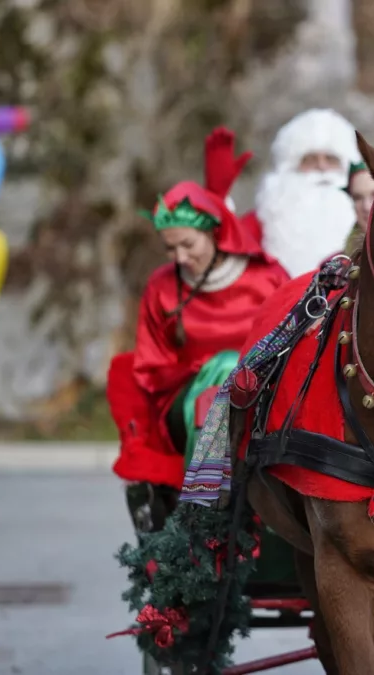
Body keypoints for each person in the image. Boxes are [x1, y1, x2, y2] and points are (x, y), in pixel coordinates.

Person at [107, 127, 289, 534]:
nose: (179, 257)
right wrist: (210, 372)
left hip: (263, 395)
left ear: (213, 231)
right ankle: (207, 506)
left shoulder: (266, 277)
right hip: (185, 405)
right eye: (170, 248)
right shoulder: (162, 285)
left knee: (233, 373)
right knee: (221, 370)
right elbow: (152, 366)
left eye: (188, 245)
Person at [242, 108, 361, 278]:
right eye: (310, 159)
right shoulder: (263, 221)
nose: (322, 167)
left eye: (331, 159)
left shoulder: (369, 216)